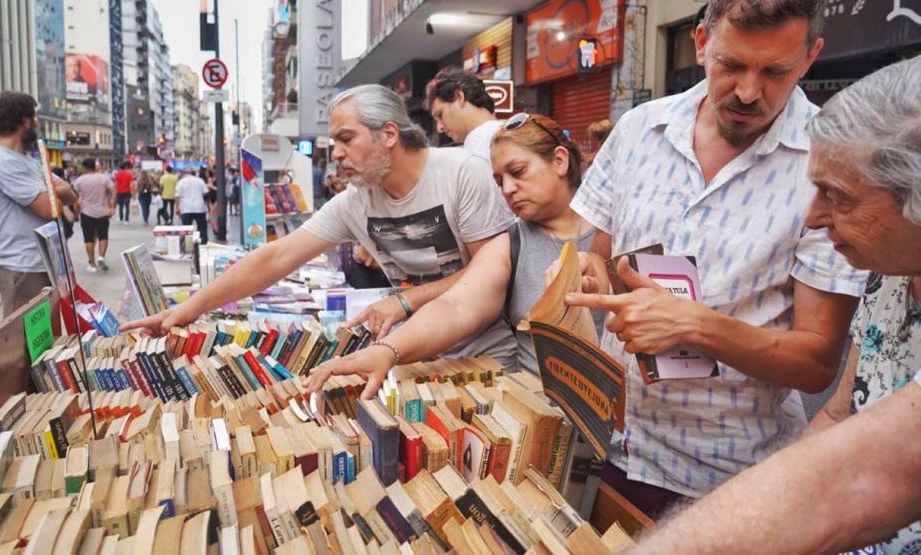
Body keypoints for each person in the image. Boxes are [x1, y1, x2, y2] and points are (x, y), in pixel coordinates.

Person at [554, 0, 867, 518]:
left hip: (724, 480)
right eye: (731, 65)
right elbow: (602, 256)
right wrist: (588, 271)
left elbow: (816, 364)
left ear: (811, 58)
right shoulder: (637, 132)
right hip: (612, 441)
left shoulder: (829, 165)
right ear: (701, 43)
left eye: (775, 72)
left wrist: (698, 328)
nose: (748, 91)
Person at [629, 54, 921, 555]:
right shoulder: (889, 275)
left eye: (838, 197)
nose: (811, 218)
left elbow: (867, 476)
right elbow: (839, 413)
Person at [124, 84, 515, 370]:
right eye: (334, 142)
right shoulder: (355, 201)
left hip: (484, 360)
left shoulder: (463, 173)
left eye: (347, 139)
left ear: (389, 134)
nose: (337, 154)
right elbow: (276, 256)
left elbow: (489, 274)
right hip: (413, 354)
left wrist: (406, 301)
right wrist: (189, 309)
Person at [306, 113, 603, 396]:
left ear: (560, 161)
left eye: (518, 172)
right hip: (544, 430)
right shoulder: (510, 245)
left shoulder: (617, 234)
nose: (509, 189)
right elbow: (456, 306)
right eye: (499, 181)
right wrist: (387, 350)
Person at [0, 91, 78, 316]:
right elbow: (50, 208)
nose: (37, 124)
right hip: (22, 269)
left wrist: (55, 191)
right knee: (27, 347)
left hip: (42, 263)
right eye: (35, 119)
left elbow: (71, 195)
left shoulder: (27, 160)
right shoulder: (2, 161)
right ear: (25, 122)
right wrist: (55, 190)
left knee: (49, 345)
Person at [426, 67, 502, 163]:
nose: (439, 128)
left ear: (459, 97)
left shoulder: (477, 144)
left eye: (440, 114)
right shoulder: (507, 132)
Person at [73, 158, 115, 273]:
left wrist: (76, 212)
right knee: (103, 236)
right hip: (102, 212)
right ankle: (101, 256)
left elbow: (75, 197)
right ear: (94, 167)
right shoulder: (104, 178)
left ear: (85, 167)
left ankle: (91, 263)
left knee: (88, 239)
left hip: (86, 213)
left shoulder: (79, 180)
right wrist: (112, 206)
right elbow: (113, 190)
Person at [175, 168, 209, 244]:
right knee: (202, 228)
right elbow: (206, 192)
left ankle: (188, 245)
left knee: (187, 229)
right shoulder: (200, 181)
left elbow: (177, 196)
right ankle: (203, 244)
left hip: (186, 208)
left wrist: (177, 208)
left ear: (184, 173)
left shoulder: (181, 182)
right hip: (199, 208)